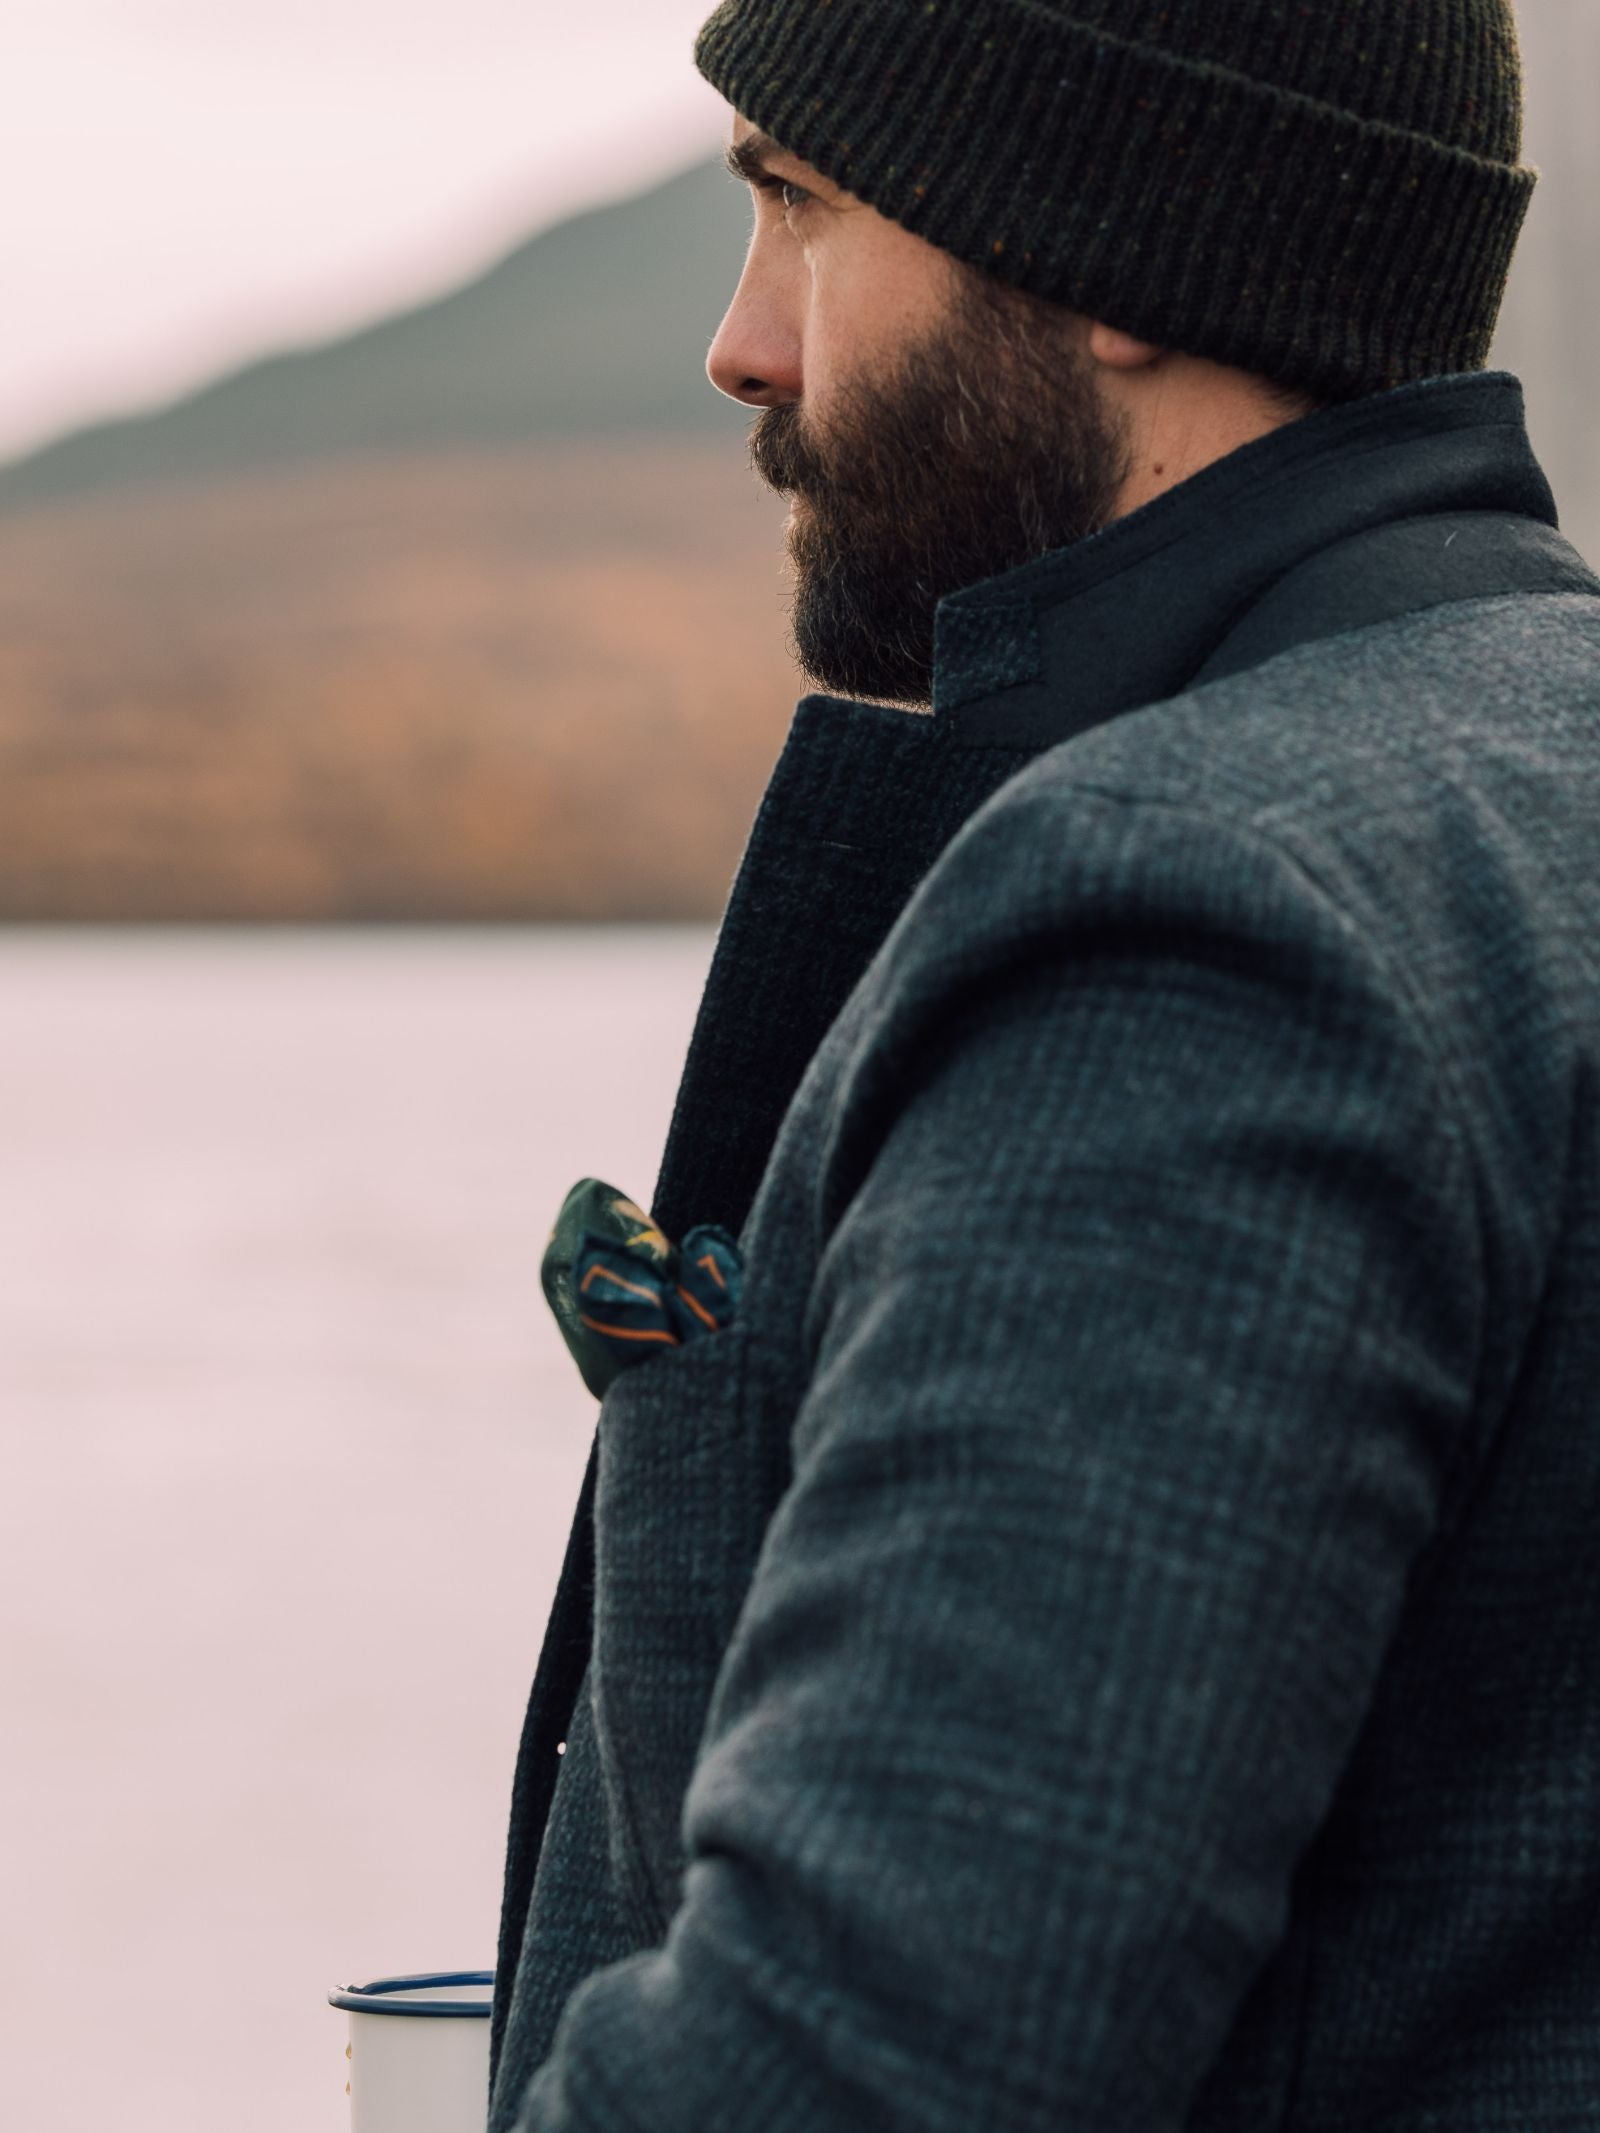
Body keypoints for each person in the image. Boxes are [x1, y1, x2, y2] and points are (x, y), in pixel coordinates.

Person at [491, 3, 1600, 2126]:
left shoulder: (1197, 904)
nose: (744, 343)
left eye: (800, 209)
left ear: (1109, 244)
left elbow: (864, 2062)